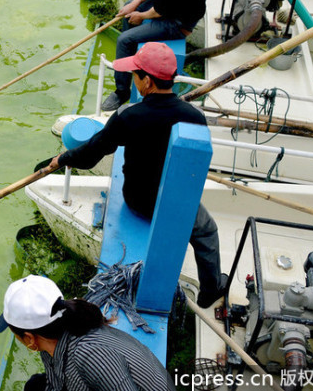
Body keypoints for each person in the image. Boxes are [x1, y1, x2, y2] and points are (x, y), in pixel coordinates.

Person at [47, 42, 227, 308]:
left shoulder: (129, 117)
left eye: (135, 75)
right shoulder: (193, 117)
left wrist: (60, 159)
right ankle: (210, 290)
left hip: (139, 200)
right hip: (176, 201)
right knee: (207, 230)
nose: (133, 79)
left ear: (147, 82)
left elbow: (91, 153)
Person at [0, 275, 176, 391]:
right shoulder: (54, 338)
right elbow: (55, 383)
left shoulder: (90, 354)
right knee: (34, 386)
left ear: (29, 338)